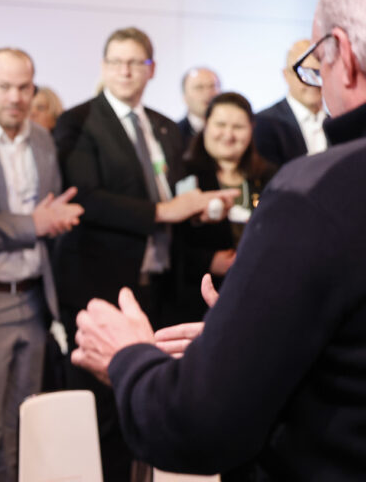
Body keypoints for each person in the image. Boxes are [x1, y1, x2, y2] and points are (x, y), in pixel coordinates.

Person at [72, 0, 366, 478]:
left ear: (345, 53)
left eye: (318, 60)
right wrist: (257, 321)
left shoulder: (313, 192)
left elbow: (196, 427)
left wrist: (128, 358)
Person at [52, 27, 237, 480]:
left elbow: (178, 191)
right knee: (107, 412)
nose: (125, 70)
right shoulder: (78, 121)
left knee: (155, 400)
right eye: (116, 60)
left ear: (151, 69)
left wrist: (199, 209)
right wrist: (163, 210)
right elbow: (86, 198)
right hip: (102, 282)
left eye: (136, 62)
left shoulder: (165, 126)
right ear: (103, 65)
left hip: (161, 281)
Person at [0, 47, 83, 482]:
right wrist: (35, 223)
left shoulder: (43, 139)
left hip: (33, 297)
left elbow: (47, 213)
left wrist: (52, 220)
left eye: (25, 87)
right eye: (5, 86)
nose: (15, 97)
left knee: (27, 423)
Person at [178, 92, 276, 321]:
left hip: (258, 293)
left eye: (238, 127)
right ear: (206, 125)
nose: (228, 135)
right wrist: (208, 261)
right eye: (220, 125)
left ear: (251, 129)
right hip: (196, 300)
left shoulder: (272, 176)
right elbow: (171, 243)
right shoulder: (183, 174)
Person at [254, 39, 328, 167]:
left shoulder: (339, 120)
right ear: (286, 75)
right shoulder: (264, 122)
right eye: (304, 73)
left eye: (319, 73)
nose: (313, 83)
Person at [177, 67, 221, 150]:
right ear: (184, 96)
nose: (208, 93)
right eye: (199, 87)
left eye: (212, 86)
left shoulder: (235, 132)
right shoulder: (174, 134)